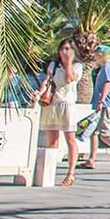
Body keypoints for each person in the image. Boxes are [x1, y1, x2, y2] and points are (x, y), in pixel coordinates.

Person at [39, 40, 86, 186]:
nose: (64, 52)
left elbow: (69, 79)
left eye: (68, 49)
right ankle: (49, 172)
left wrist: (68, 63)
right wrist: (40, 93)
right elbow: (48, 81)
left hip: (67, 104)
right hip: (52, 104)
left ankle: (70, 174)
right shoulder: (53, 65)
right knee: (52, 141)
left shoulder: (77, 66)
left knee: (70, 139)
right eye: (62, 49)